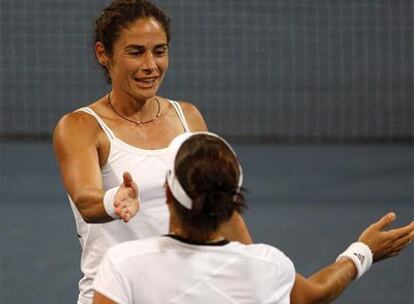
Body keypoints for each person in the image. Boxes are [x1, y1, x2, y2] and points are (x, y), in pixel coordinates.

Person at [53, 1, 251, 303]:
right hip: (114, 295)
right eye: (136, 52)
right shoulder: (80, 126)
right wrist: (113, 200)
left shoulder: (189, 117)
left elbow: (219, 208)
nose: (151, 65)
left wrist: (255, 270)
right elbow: (86, 201)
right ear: (102, 53)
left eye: (159, 51)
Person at [92, 132, 414, 304]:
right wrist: (363, 251)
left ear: (167, 194)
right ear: (232, 203)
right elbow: (314, 294)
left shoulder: (124, 265)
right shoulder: (268, 267)